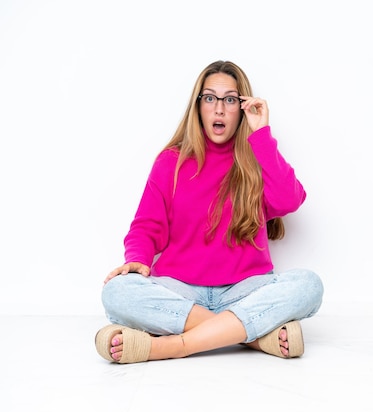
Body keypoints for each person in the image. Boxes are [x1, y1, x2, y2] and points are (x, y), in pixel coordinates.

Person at [94, 60, 324, 364]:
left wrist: (262, 135)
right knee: (117, 292)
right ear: (198, 105)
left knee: (309, 286)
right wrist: (136, 260)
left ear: (242, 108)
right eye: (210, 98)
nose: (219, 109)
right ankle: (251, 337)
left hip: (245, 289)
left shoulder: (257, 158)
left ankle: (173, 346)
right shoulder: (170, 162)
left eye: (230, 99)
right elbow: (146, 226)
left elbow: (288, 201)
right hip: (181, 291)